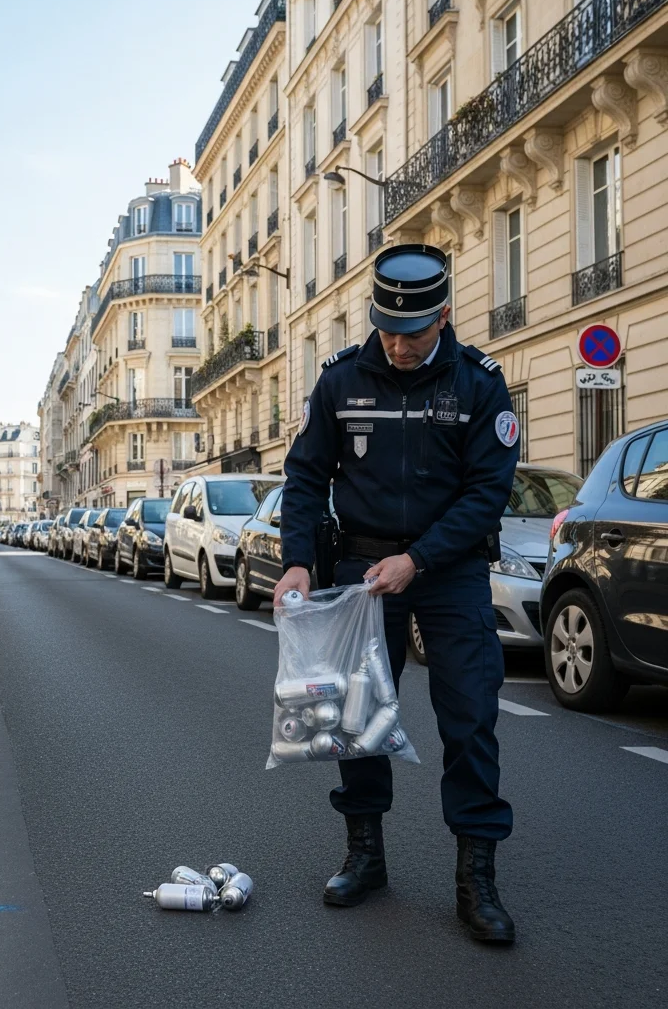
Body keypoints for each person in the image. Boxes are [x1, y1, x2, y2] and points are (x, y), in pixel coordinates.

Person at [275, 243, 520, 944]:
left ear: (443, 316)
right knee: (356, 721)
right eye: (387, 328)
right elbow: (303, 477)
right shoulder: (341, 381)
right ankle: (364, 857)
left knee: (470, 720)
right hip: (359, 574)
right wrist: (298, 562)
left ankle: (477, 881)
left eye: (412, 332)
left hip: (451, 574)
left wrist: (420, 558)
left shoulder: (479, 385)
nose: (398, 344)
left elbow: (486, 494)